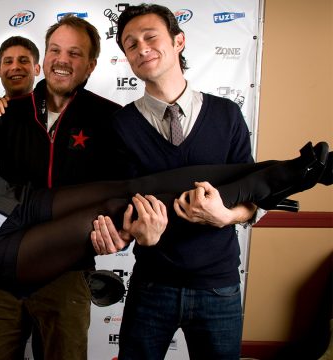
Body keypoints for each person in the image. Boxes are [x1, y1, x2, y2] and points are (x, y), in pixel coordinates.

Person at [0, 68, 332, 358]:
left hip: (17, 200)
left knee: (128, 186)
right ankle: (281, 180)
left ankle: (287, 171)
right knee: (120, 210)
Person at [93, 3, 269, 359]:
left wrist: (225, 217)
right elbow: (118, 204)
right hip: (152, 284)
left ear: (178, 41)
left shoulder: (226, 115)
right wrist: (135, 235)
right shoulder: (120, 127)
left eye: (150, 37)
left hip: (218, 286)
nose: (141, 48)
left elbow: (255, 196)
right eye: (130, 44)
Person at [0, 19, 124, 359]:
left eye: (74, 53)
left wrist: (117, 229)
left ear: (90, 64)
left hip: (67, 271)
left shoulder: (111, 119)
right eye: (55, 51)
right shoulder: (5, 115)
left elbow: (120, 193)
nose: (62, 60)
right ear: (43, 59)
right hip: (3, 269)